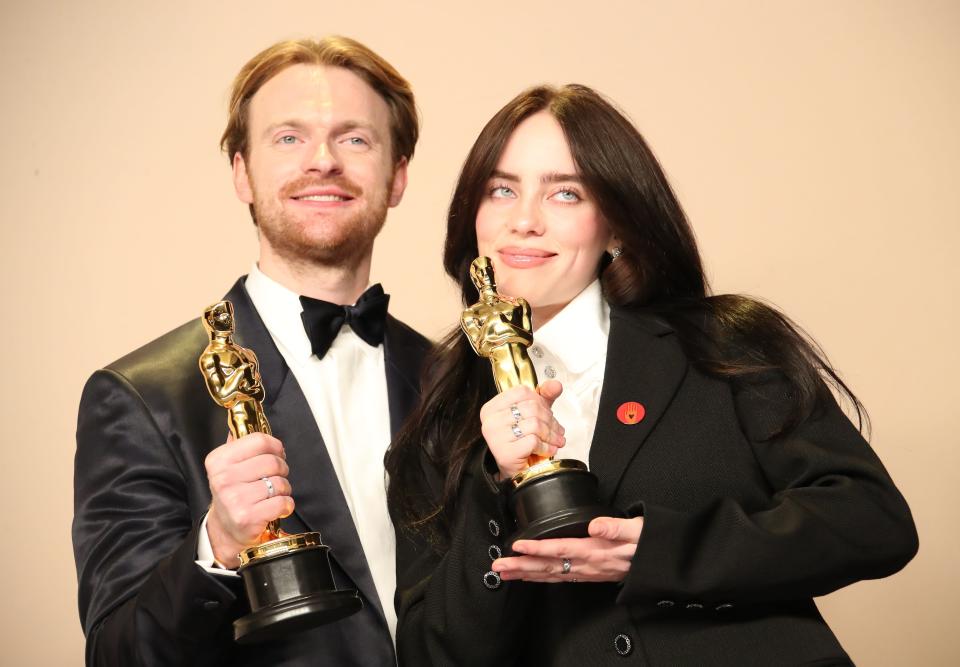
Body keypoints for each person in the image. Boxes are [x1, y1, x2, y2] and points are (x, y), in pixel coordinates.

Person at [385, 84, 918, 666]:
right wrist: (494, 489)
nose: (524, 221)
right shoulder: (436, 420)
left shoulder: (723, 344)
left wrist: (661, 553)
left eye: (565, 193)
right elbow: (429, 652)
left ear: (614, 225)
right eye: (501, 190)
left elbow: (872, 521)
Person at [72, 36, 429, 666]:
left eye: (355, 138)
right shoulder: (140, 397)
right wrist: (217, 544)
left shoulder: (452, 376)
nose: (322, 161)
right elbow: (118, 654)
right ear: (242, 173)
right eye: (288, 138)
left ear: (397, 176)